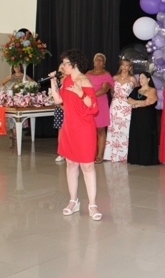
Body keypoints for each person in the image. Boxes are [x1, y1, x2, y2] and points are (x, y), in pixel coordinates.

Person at [49, 49, 102, 221]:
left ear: (74, 64)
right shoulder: (66, 80)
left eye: (65, 63)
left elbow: (93, 107)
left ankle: (92, 204)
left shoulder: (84, 80)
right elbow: (58, 100)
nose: (63, 66)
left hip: (84, 127)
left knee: (87, 166)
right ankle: (73, 201)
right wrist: (53, 82)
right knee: (71, 164)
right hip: (69, 127)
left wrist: (81, 93)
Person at [103, 58, 137, 163]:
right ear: (120, 66)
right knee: (114, 128)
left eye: (127, 65)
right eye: (123, 65)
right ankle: (111, 154)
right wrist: (116, 99)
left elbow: (137, 92)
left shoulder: (132, 79)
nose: (125, 67)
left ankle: (124, 155)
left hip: (126, 106)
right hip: (115, 105)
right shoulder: (115, 77)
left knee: (125, 129)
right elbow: (111, 92)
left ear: (130, 67)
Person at [86, 53, 114, 164]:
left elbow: (104, 89)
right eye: (97, 60)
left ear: (104, 63)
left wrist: (89, 96)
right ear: (93, 62)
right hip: (88, 104)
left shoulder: (106, 74)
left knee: (100, 129)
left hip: (100, 104)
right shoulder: (88, 74)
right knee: (89, 130)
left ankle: (100, 155)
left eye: (101, 60)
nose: (98, 62)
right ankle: (91, 153)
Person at [127, 72, 159, 165]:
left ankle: (146, 159)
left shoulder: (152, 90)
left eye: (142, 78)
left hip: (147, 117)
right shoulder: (136, 89)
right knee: (136, 135)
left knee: (146, 136)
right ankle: (135, 158)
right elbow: (129, 99)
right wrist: (139, 102)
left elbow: (148, 102)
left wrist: (136, 104)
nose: (140, 80)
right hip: (136, 117)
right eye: (140, 78)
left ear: (148, 79)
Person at [0, 64, 34, 144]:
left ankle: (17, 134)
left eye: (18, 67)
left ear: (20, 67)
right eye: (15, 67)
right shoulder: (11, 76)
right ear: (13, 68)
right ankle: (14, 134)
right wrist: (5, 90)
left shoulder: (24, 76)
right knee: (13, 116)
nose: (17, 68)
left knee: (20, 116)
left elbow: (32, 82)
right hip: (13, 98)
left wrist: (27, 88)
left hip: (21, 98)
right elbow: (2, 82)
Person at [53, 63, 66, 162]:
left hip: (69, 108)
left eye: (64, 67)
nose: (62, 69)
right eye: (61, 68)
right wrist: (60, 106)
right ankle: (61, 153)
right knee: (60, 130)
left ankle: (71, 152)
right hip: (59, 108)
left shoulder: (71, 80)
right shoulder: (56, 81)